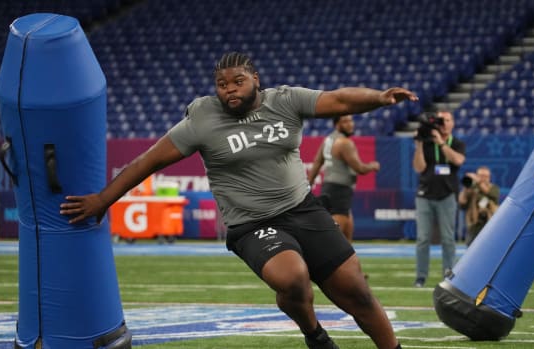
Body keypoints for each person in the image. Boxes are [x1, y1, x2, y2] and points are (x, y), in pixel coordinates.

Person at [60, 52, 418, 349]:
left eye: (237, 81)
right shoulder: (203, 119)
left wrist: (379, 97)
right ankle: (316, 335)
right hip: (253, 223)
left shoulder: (286, 101)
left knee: (357, 292)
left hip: (303, 208)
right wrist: (103, 200)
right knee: (293, 277)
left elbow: (338, 99)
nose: (229, 90)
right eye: (222, 84)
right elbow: (148, 161)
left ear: (255, 80)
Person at [412, 110, 466, 288]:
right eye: (441, 120)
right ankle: (421, 277)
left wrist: (441, 143)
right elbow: (419, 168)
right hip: (425, 194)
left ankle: (448, 273)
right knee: (423, 238)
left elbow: (458, 160)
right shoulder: (426, 143)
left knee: (448, 238)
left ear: (453, 123)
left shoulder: (456, 143)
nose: (444, 123)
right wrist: (419, 144)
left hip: (447, 194)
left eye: (447, 119)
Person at [307, 115, 380, 241]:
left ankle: (343, 259)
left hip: (329, 188)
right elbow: (360, 169)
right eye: (345, 121)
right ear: (337, 125)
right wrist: (372, 166)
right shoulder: (344, 143)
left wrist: (309, 185)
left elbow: (317, 162)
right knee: (337, 238)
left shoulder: (328, 139)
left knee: (346, 232)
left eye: (351, 120)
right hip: (339, 190)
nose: (350, 124)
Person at [457, 166, 500, 246]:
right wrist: (466, 187)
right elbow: (462, 202)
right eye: (480, 176)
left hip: (490, 223)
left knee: (490, 246)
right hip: (474, 225)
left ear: (489, 178)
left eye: (485, 176)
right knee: (471, 249)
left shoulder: (494, 188)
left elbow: (491, 195)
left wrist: (478, 182)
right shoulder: (472, 188)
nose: (483, 178)